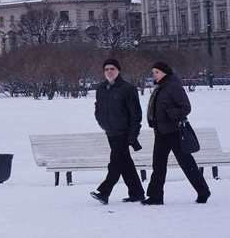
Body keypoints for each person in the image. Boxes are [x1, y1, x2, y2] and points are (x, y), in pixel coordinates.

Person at [143, 61, 211, 205]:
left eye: (157, 72)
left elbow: (186, 107)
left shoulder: (173, 86)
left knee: (187, 163)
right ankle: (155, 196)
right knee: (158, 165)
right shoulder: (161, 87)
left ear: (164, 73)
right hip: (161, 132)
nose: (154, 75)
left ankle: (203, 191)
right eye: (153, 72)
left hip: (175, 132)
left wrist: (169, 113)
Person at [89, 58, 145, 204]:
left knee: (115, 162)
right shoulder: (101, 89)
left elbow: (136, 115)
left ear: (118, 70)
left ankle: (104, 191)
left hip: (123, 132)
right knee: (125, 162)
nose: (109, 72)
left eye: (112, 69)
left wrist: (133, 134)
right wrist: (101, 121)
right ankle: (137, 193)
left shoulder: (127, 89)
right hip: (110, 132)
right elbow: (98, 108)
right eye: (106, 69)